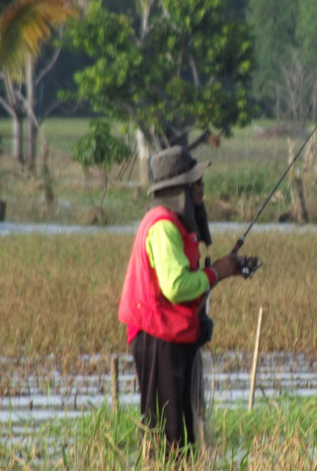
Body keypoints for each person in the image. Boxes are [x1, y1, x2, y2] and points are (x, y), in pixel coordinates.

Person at [118, 145, 248, 452]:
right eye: (196, 182)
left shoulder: (175, 224)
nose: (201, 187)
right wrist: (216, 273)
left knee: (184, 430)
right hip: (157, 335)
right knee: (168, 432)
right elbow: (175, 286)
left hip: (172, 333)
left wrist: (222, 271)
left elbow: (187, 284)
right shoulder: (162, 226)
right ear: (180, 190)